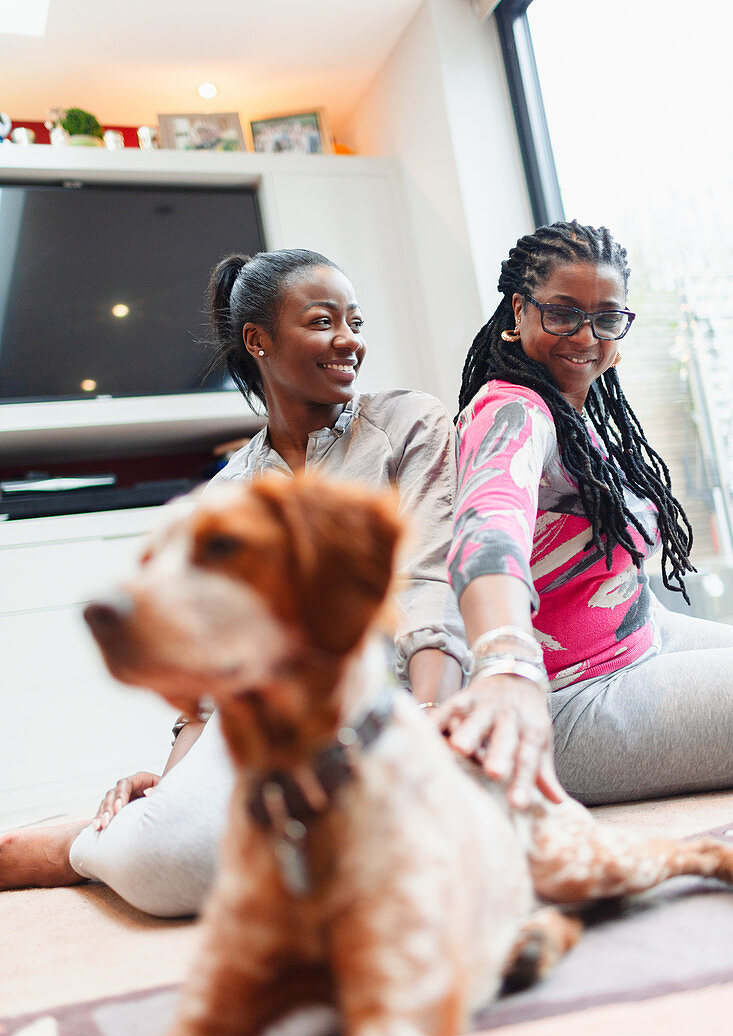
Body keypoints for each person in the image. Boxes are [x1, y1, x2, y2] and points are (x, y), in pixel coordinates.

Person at [0, 248, 467, 916]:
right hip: (279, 719)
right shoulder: (227, 497)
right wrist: (172, 786)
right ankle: (81, 846)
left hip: (396, 701)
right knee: (173, 868)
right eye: (322, 321)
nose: (348, 340)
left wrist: (428, 721)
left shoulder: (407, 424)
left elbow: (430, 579)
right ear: (258, 340)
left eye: (354, 321)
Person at [438, 220, 733, 809]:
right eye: (563, 313)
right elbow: (487, 527)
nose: (585, 336)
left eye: (606, 318)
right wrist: (503, 661)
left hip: (645, 640)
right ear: (519, 311)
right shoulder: (513, 413)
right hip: (571, 702)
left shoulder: (575, 406)